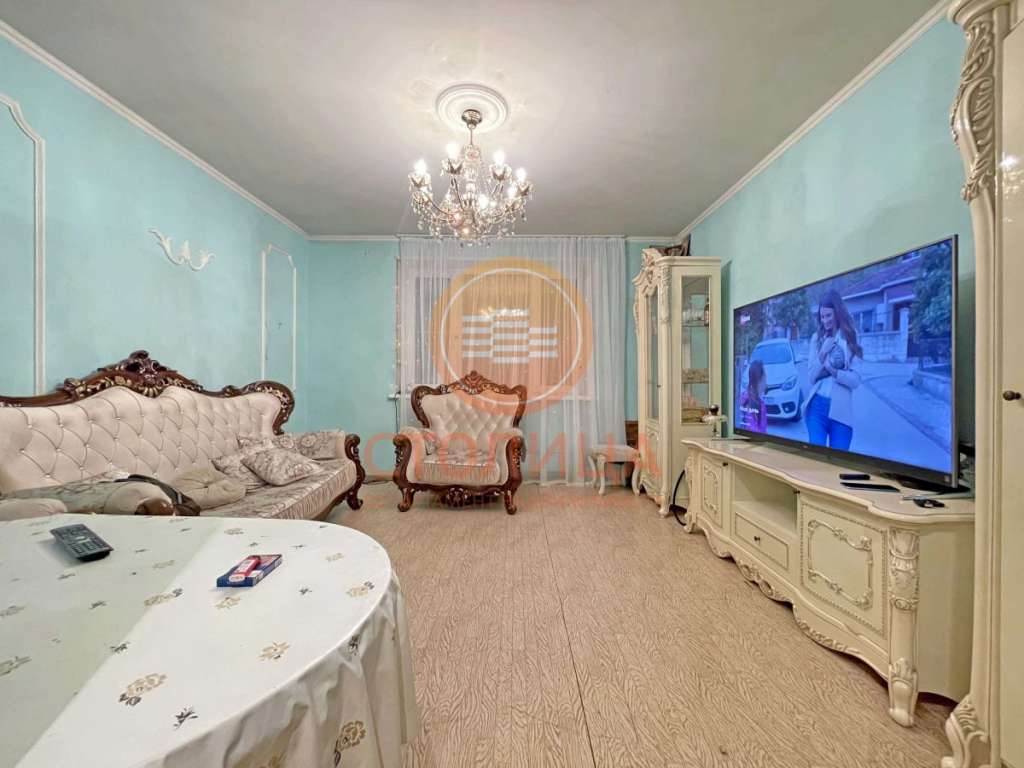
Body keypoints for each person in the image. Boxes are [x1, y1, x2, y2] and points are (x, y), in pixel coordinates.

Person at [803, 289, 862, 450]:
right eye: (822, 316)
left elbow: (856, 380)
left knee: (838, 460)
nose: (825, 321)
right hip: (817, 407)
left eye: (828, 315)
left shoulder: (851, 338)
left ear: (838, 313)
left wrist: (833, 371)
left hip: (841, 411)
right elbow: (811, 377)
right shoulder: (816, 338)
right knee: (817, 457)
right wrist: (823, 352)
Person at [740, 359, 768, 433]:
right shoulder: (759, 404)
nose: (766, 378)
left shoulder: (744, 396)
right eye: (765, 375)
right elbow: (759, 433)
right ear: (759, 380)